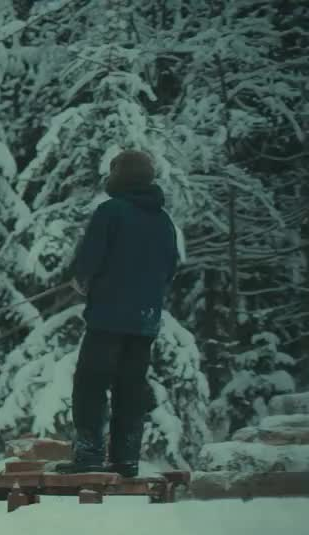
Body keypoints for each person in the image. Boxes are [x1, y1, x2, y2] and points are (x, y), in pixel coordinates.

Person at [57, 150, 181, 478]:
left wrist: (82, 281)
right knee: (130, 387)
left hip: (108, 317)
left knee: (90, 384)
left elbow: (88, 260)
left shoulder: (110, 211)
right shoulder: (163, 219)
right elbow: (171, 267)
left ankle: (89, 456)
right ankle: (126, 459)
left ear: (119, 176)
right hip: (145, 320)